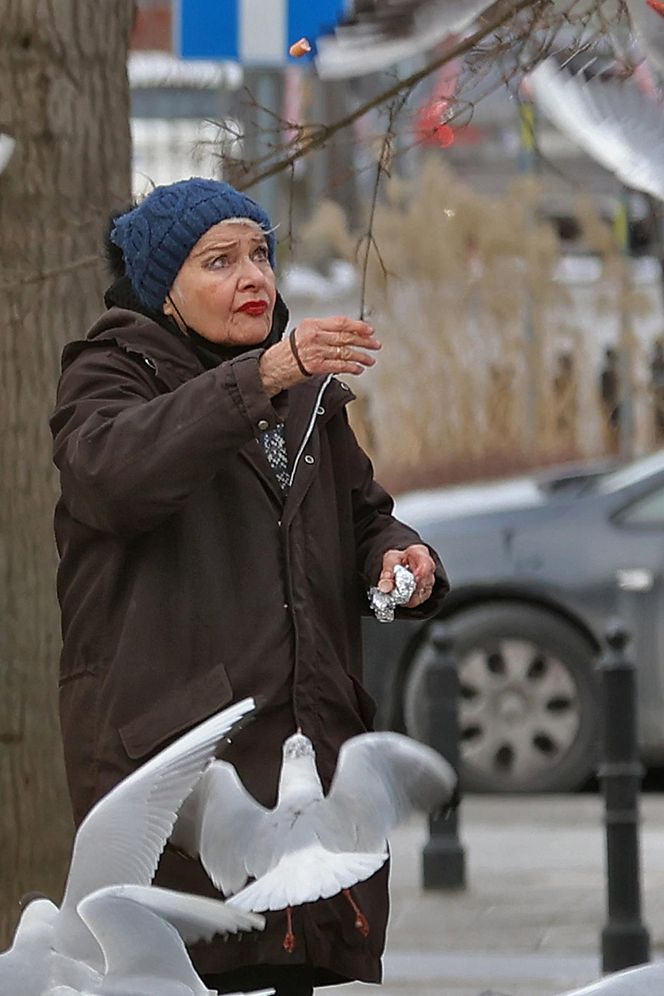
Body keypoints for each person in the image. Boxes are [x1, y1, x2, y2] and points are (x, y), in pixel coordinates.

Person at [50, 178, 449, 995]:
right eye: (220, 261)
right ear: (164, 287)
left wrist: (400, 555)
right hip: (179, 782)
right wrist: (262, 376)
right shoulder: (108, 375)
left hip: (304, 770)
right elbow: (115, 479)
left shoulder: (304, 397)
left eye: (261, 254)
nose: (254, 277)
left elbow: (362, 516)